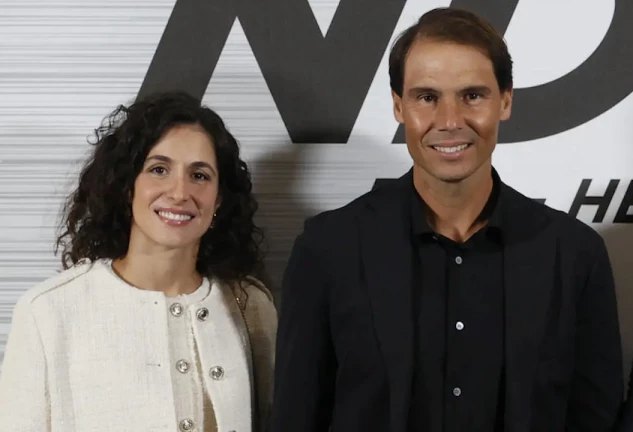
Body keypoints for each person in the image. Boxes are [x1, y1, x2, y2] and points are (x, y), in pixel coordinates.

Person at [271, 7, 623, 432]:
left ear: (505, 102)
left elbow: (597, 418)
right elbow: (296, 416)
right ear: (399, 107)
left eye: (472, 95)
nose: (451, 121)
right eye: (427, 97)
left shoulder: (574, 253)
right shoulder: (328, 249)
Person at [0, 91, 277, 432]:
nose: (179, 192)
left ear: (218, 199)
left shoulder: (251, 306)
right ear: (127, 186)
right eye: (159, 169)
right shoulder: (49, 311)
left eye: (200, 175)